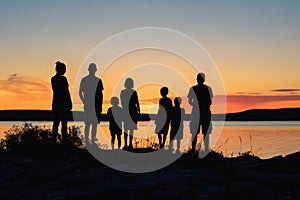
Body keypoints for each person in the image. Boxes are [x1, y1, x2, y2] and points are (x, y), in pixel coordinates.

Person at [187, 72, 213, 153]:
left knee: (201, 132)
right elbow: (210, 101)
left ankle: (197, 150)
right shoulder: (206, 88)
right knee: (204, 132)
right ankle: (202, 150)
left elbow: (189, 101)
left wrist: (195, 105)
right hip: (202, 111)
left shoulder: (194, 88)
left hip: (200, 111)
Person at [79, 63, 104, 144]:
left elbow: (100, 95)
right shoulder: (84, 80)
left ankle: (92, 141)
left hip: (95, 106)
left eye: (93, 69)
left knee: (93, 124)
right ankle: (88, 141)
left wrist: (100, 106)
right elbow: (80, 92)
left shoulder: (98, 80)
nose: (93, 71)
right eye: (92, 69)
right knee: (89, 124)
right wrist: (84, 102)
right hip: (89, 106)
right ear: (89, 70)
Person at [51, 61, 72, 144]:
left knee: (60, 123)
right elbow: (65, 91)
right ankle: (59, 141)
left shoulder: (54, 79)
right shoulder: (59, 79)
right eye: (64, 69)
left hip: (59, 103)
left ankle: (58, 141)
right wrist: (69, 102)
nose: (65, 71)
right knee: (60, 123)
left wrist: (69, 102)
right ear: (60, 69)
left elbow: (66, 91)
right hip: (61, 103)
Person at [120, 78, 140, 150]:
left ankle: (128, 144)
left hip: (129, 111)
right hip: (131, 111)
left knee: (128, 128)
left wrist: (138, 110)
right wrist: (138, 111)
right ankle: (128, 144)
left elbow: (136, 102)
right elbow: (137, 102)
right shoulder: (132, 92)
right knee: (129, 129)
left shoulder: (124, 92)